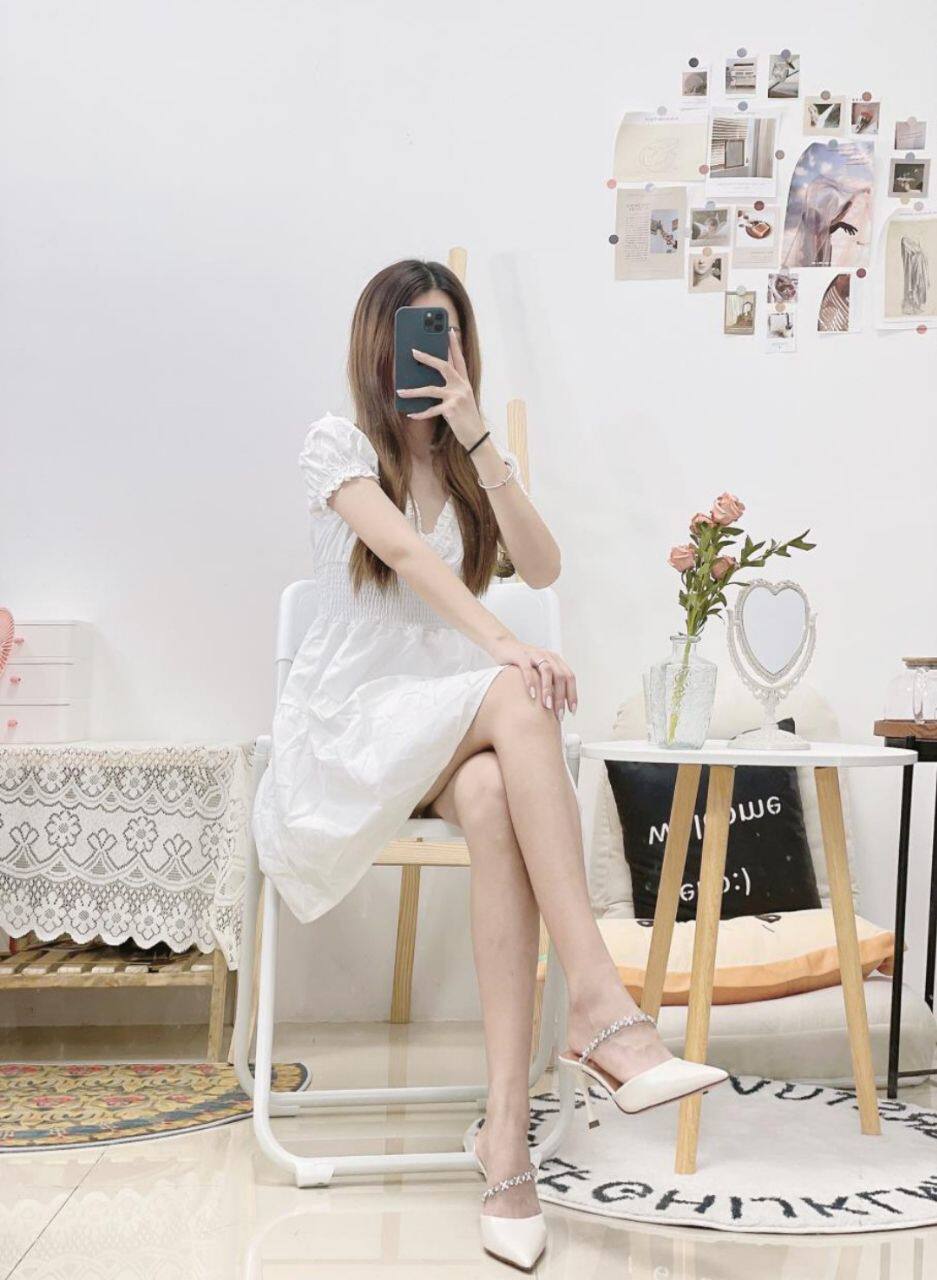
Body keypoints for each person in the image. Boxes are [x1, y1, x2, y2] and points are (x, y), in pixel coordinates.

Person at [252, 259, 726, 1270]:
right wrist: (505, 646)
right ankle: (599, 1006)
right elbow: (408, 559)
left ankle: (505, 1140)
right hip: (350, 726)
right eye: (414, 332)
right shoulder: (337, 444)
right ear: (375, 343)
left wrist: (476, 434)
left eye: (449, 333)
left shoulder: (467, 465)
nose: (433, 351)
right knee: (517, 692)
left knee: (492, 791)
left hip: (443, 730)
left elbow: (542, 568)